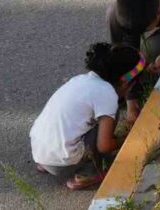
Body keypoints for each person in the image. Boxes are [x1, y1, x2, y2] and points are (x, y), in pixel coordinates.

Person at [30, 42, 143, 190]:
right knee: (110, 115)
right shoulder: (107, 94)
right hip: (63, 163)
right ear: (125, 82)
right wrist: (127, 140)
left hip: (39, 152)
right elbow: (104, 146)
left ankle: (49, 163)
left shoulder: (80, 79)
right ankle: (86, 173)